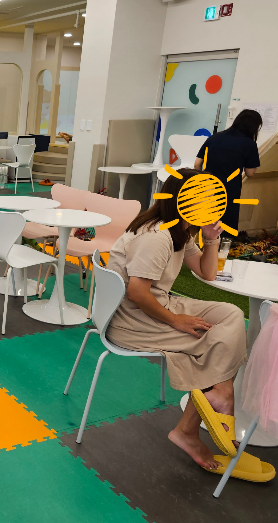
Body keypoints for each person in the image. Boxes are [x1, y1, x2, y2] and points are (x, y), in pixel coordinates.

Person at [105, 167, 247, 470]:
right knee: (217, 341)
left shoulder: (179, 229)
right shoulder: (157, 237)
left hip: (158, 304)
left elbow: (207, 272)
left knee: (232, 315)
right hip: (132, 320)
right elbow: (137, 293)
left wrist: (210, 238)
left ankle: (219, 394)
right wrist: (175, 320)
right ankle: (196, 422)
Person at [194, 109, 262, 235]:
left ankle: (199, 245)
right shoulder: (249, 144)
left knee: (205, 223)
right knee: (225, 227)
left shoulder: (214, 137)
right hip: (229, 190)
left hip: (207, 187)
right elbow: (250, 173)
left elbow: (197, 164)